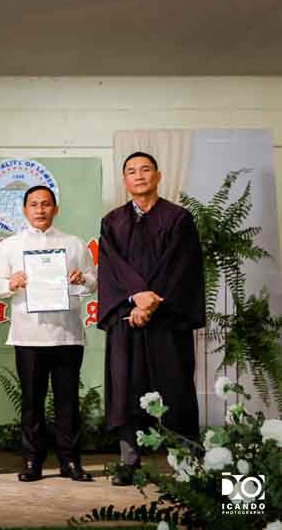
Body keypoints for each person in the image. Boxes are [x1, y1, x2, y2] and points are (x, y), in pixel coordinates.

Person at [97, 152, 205, 486]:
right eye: (131, 171)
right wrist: (133, 301)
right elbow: (111, 268)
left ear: (157, 176)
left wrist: (149, 303)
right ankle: (129, 461)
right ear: (125, 180)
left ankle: (186, 462)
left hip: (167, 320)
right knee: (125, 389)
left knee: (176, 388)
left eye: (145, 170)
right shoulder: (112, 221)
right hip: (126, 319)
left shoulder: (178, 219)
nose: (139, 176)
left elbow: (180, 267)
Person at [0, 185, 96, 482]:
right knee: (31, 402)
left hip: (67, 334)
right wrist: (12, 282)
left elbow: (92, 281)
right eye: (34, 205)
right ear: (24, 210)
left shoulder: (74, 243)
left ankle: (70, 462)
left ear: (55, 208)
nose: (40, 210)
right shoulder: (10, 245)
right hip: (29, 336)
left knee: (68, 402)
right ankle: (32, 462)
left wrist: (81, 278)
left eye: (46, 204)